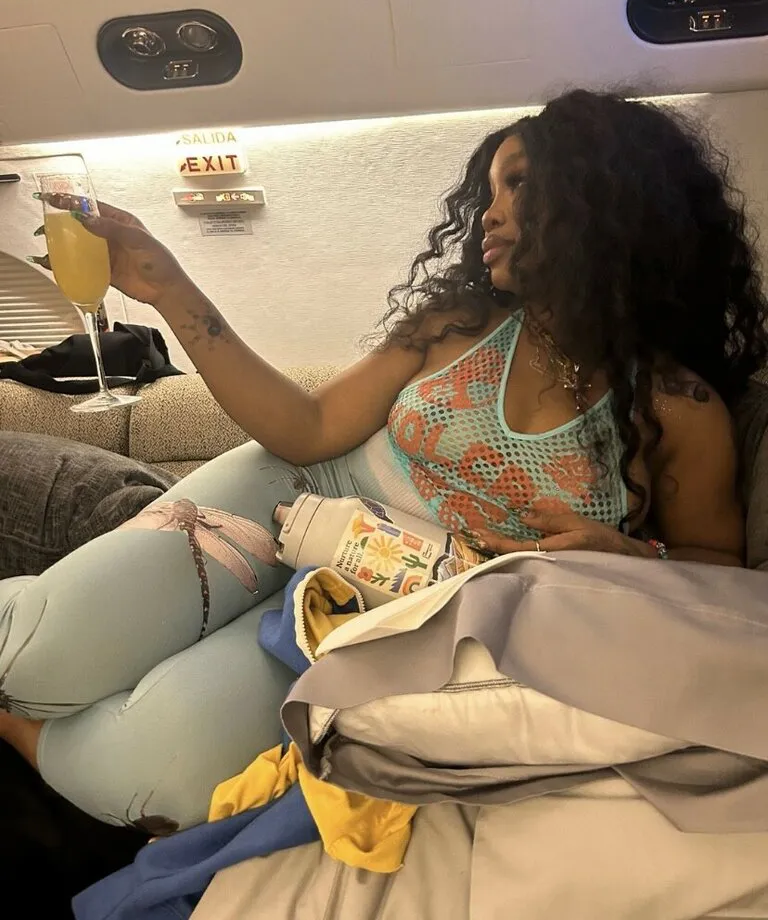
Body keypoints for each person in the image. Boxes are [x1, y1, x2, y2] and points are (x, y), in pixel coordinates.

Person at [1, 88, 766, 831]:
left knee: (146, 778)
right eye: (490, 190)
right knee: (36, 655)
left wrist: (630, 557)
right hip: (295, 493)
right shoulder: (457, 322)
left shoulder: (682, 410)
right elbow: (306, 428)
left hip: (395, 610)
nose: (490, 213)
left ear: (610, 203)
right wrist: (167, 288)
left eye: (520, 185)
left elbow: (720, 575)